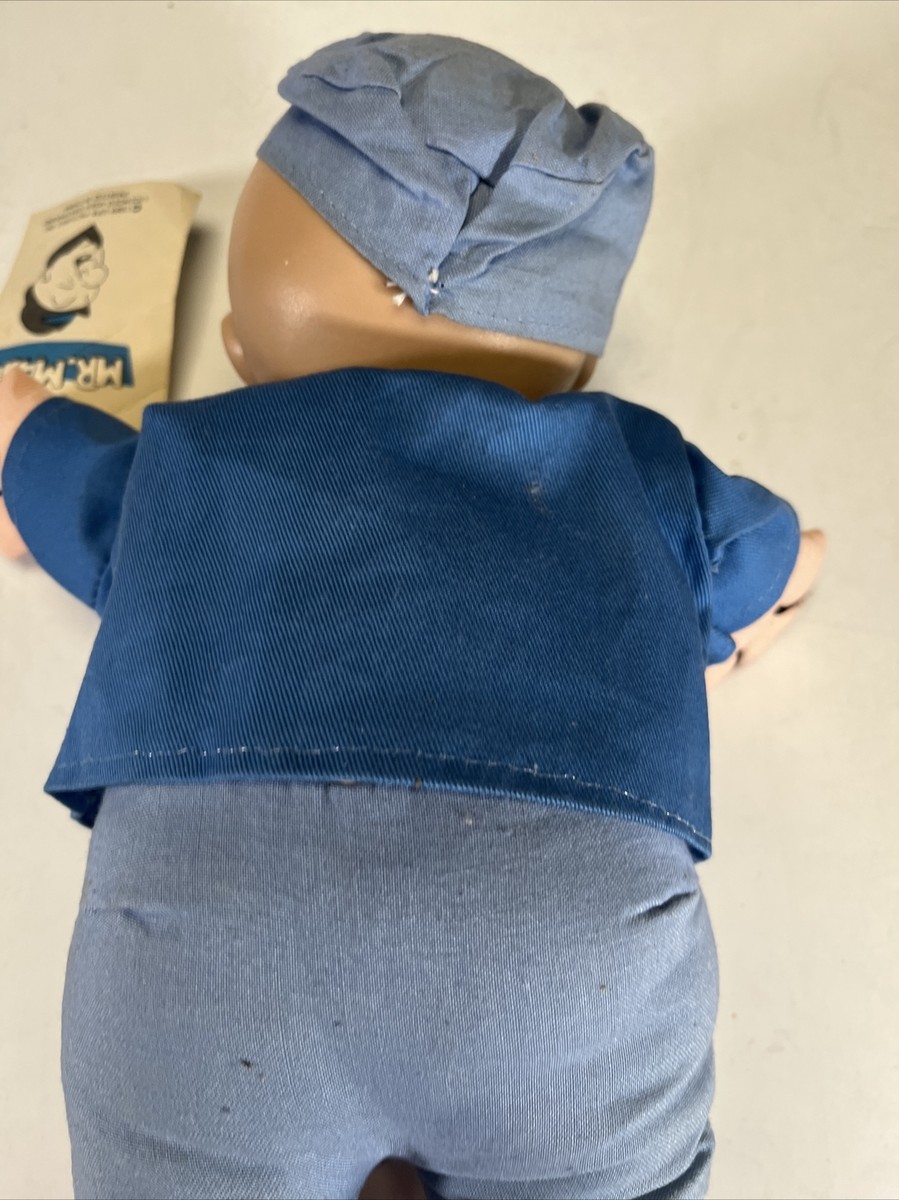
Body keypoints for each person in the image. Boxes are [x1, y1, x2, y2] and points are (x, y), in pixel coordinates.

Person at [0, 32, 825, 1200]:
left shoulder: (189, 464)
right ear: (575, 368)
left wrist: (23, 427)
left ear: (246, 353)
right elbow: (770, 558)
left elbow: (45, 477)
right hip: (559, 962)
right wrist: (722, 622)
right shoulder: (635, 471)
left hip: (211, 949)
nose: (229, 347)